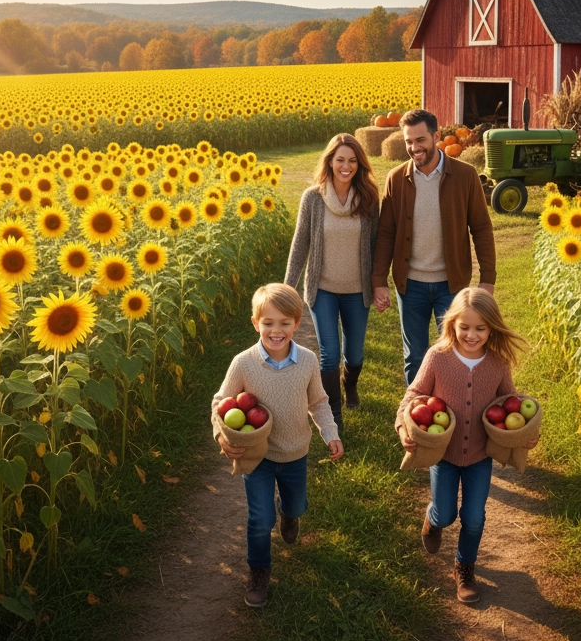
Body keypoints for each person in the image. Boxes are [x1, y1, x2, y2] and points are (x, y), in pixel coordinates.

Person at [395, 288, 535, 603]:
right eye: (465, 327)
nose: (472, 335)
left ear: (492, 328)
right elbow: (413, 395)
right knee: (445, 514)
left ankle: (464, 566)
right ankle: (432, 522)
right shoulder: (438, 357)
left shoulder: (497, 363)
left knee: (474, 517)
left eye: (481, 328)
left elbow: (510, 403)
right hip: (443, 454)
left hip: (479, 456)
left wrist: (524, 433)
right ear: (453, 324)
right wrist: (404, 426)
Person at [211, 282, 344, 607]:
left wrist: (331, 432)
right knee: (260, 520)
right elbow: (221, 402)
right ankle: (258, 572)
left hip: (295, 453)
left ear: (297, 324)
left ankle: (290, 514)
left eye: (285, 322)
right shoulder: (243, 363)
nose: (276, 330)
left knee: (295, 505)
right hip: (256, 456)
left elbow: (319, 402)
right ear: (256, 323)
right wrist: (221, 437)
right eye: (268, 322)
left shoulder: (309, 362)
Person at [372, 108, 497, 384]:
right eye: (408, 141)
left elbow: (481, 229)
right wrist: (379, 280)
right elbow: (386, 233)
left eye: (420, 140)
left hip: (450, 286)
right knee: (415, 356)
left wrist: (487, 279)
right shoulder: (396, 179)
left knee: (453, 353)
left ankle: (449, 411)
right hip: (411, 285)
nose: (414, 148)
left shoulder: (465, 176)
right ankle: (415, 414)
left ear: (436, 136)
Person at [284, 133, 380, 427]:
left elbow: (377, 244)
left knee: (354, 353)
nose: (346, 166)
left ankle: (350, 385)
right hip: (322, 289)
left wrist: (379, 284)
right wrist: (287, 288)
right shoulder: (312, 198)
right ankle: (333, 416)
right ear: (330, 161)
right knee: (329, 354)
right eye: (340, 160)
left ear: (359, 165)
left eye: (352, 161)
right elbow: (300, 243)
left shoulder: (368, 199)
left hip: (357, 291)